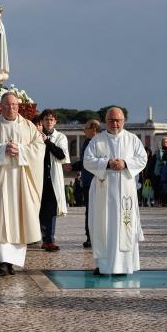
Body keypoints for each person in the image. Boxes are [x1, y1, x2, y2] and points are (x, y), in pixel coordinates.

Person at [0, 92, 45, 277]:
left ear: (19, 106)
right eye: (7, 105)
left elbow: (39, 148)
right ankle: (2, 263)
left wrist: (20, 150)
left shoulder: (28, 126)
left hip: (21, 182)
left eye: (14, 105)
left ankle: (11, 262)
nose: (11, 108)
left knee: (20, 221)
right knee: (0, 222)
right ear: (1, 106)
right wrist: (0, 149)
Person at [83, 107, 148, 275]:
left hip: (125, 191)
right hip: (103, 193)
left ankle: (125, 266)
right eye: (111, 120)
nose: (115, 123)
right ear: (106, 121)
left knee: (124, 227)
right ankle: (103, 266)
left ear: (123, 121)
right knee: (102, 227)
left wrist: (125, 163)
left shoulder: (132, 139)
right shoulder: (97, 140)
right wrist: (107, 163)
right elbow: (87, 161)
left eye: (118, 120)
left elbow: (142, 158)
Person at [65, 119, 101, 248]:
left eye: (86, 128)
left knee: (99, 211)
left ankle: (99, 236)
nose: (84, 131)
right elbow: (85, 161)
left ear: (93, 129)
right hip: (87, 181)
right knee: (90, 211)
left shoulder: (101, 142)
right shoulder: (86, 142)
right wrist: (73, 167)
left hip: (99, 181)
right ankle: (90, 237)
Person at [37, 109, 70, 252]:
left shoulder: (60, 137)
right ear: (42, 121)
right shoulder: (35, 135)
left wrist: (47, 141)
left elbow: (61, 155)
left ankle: (49, 239)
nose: (49, 122)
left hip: (52, 178)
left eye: (51, 119)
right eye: (46, 119)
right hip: (37, 177)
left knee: (50, 211)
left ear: (55, 122)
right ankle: (37, 236)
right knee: (37, 209)